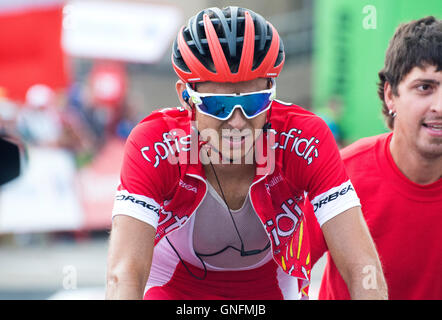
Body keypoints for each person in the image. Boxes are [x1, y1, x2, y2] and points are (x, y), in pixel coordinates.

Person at [105, 6, 387, 300]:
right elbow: (124, 273)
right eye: (218, 105)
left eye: (254, 103)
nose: (237, 122)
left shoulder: (304, 139)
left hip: (271, 287)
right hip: (175, 289)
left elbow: (362, 267)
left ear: (272, 90)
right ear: (185, 97)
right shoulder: (155, 143)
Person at [311, 16, 442, 300]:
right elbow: (274, 271)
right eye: (425, 87)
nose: (440, 106)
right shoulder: (341, 176)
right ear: (390, 95)